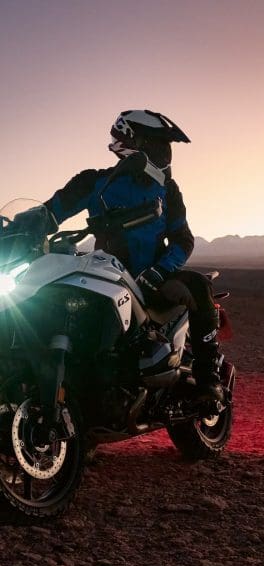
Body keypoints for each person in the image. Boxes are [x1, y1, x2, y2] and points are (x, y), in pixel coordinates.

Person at [44, 109, 223, 402]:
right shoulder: (94, 182)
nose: (165, 153)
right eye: (157, 144)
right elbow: (49, 212)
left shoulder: (167, 190)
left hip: (153, 279)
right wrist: (20, 228)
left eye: (165, 147)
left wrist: (159, 271)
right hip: (105, 274)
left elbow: (183, 239)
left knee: (198, 286)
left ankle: (208, 379)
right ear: (133, 142)